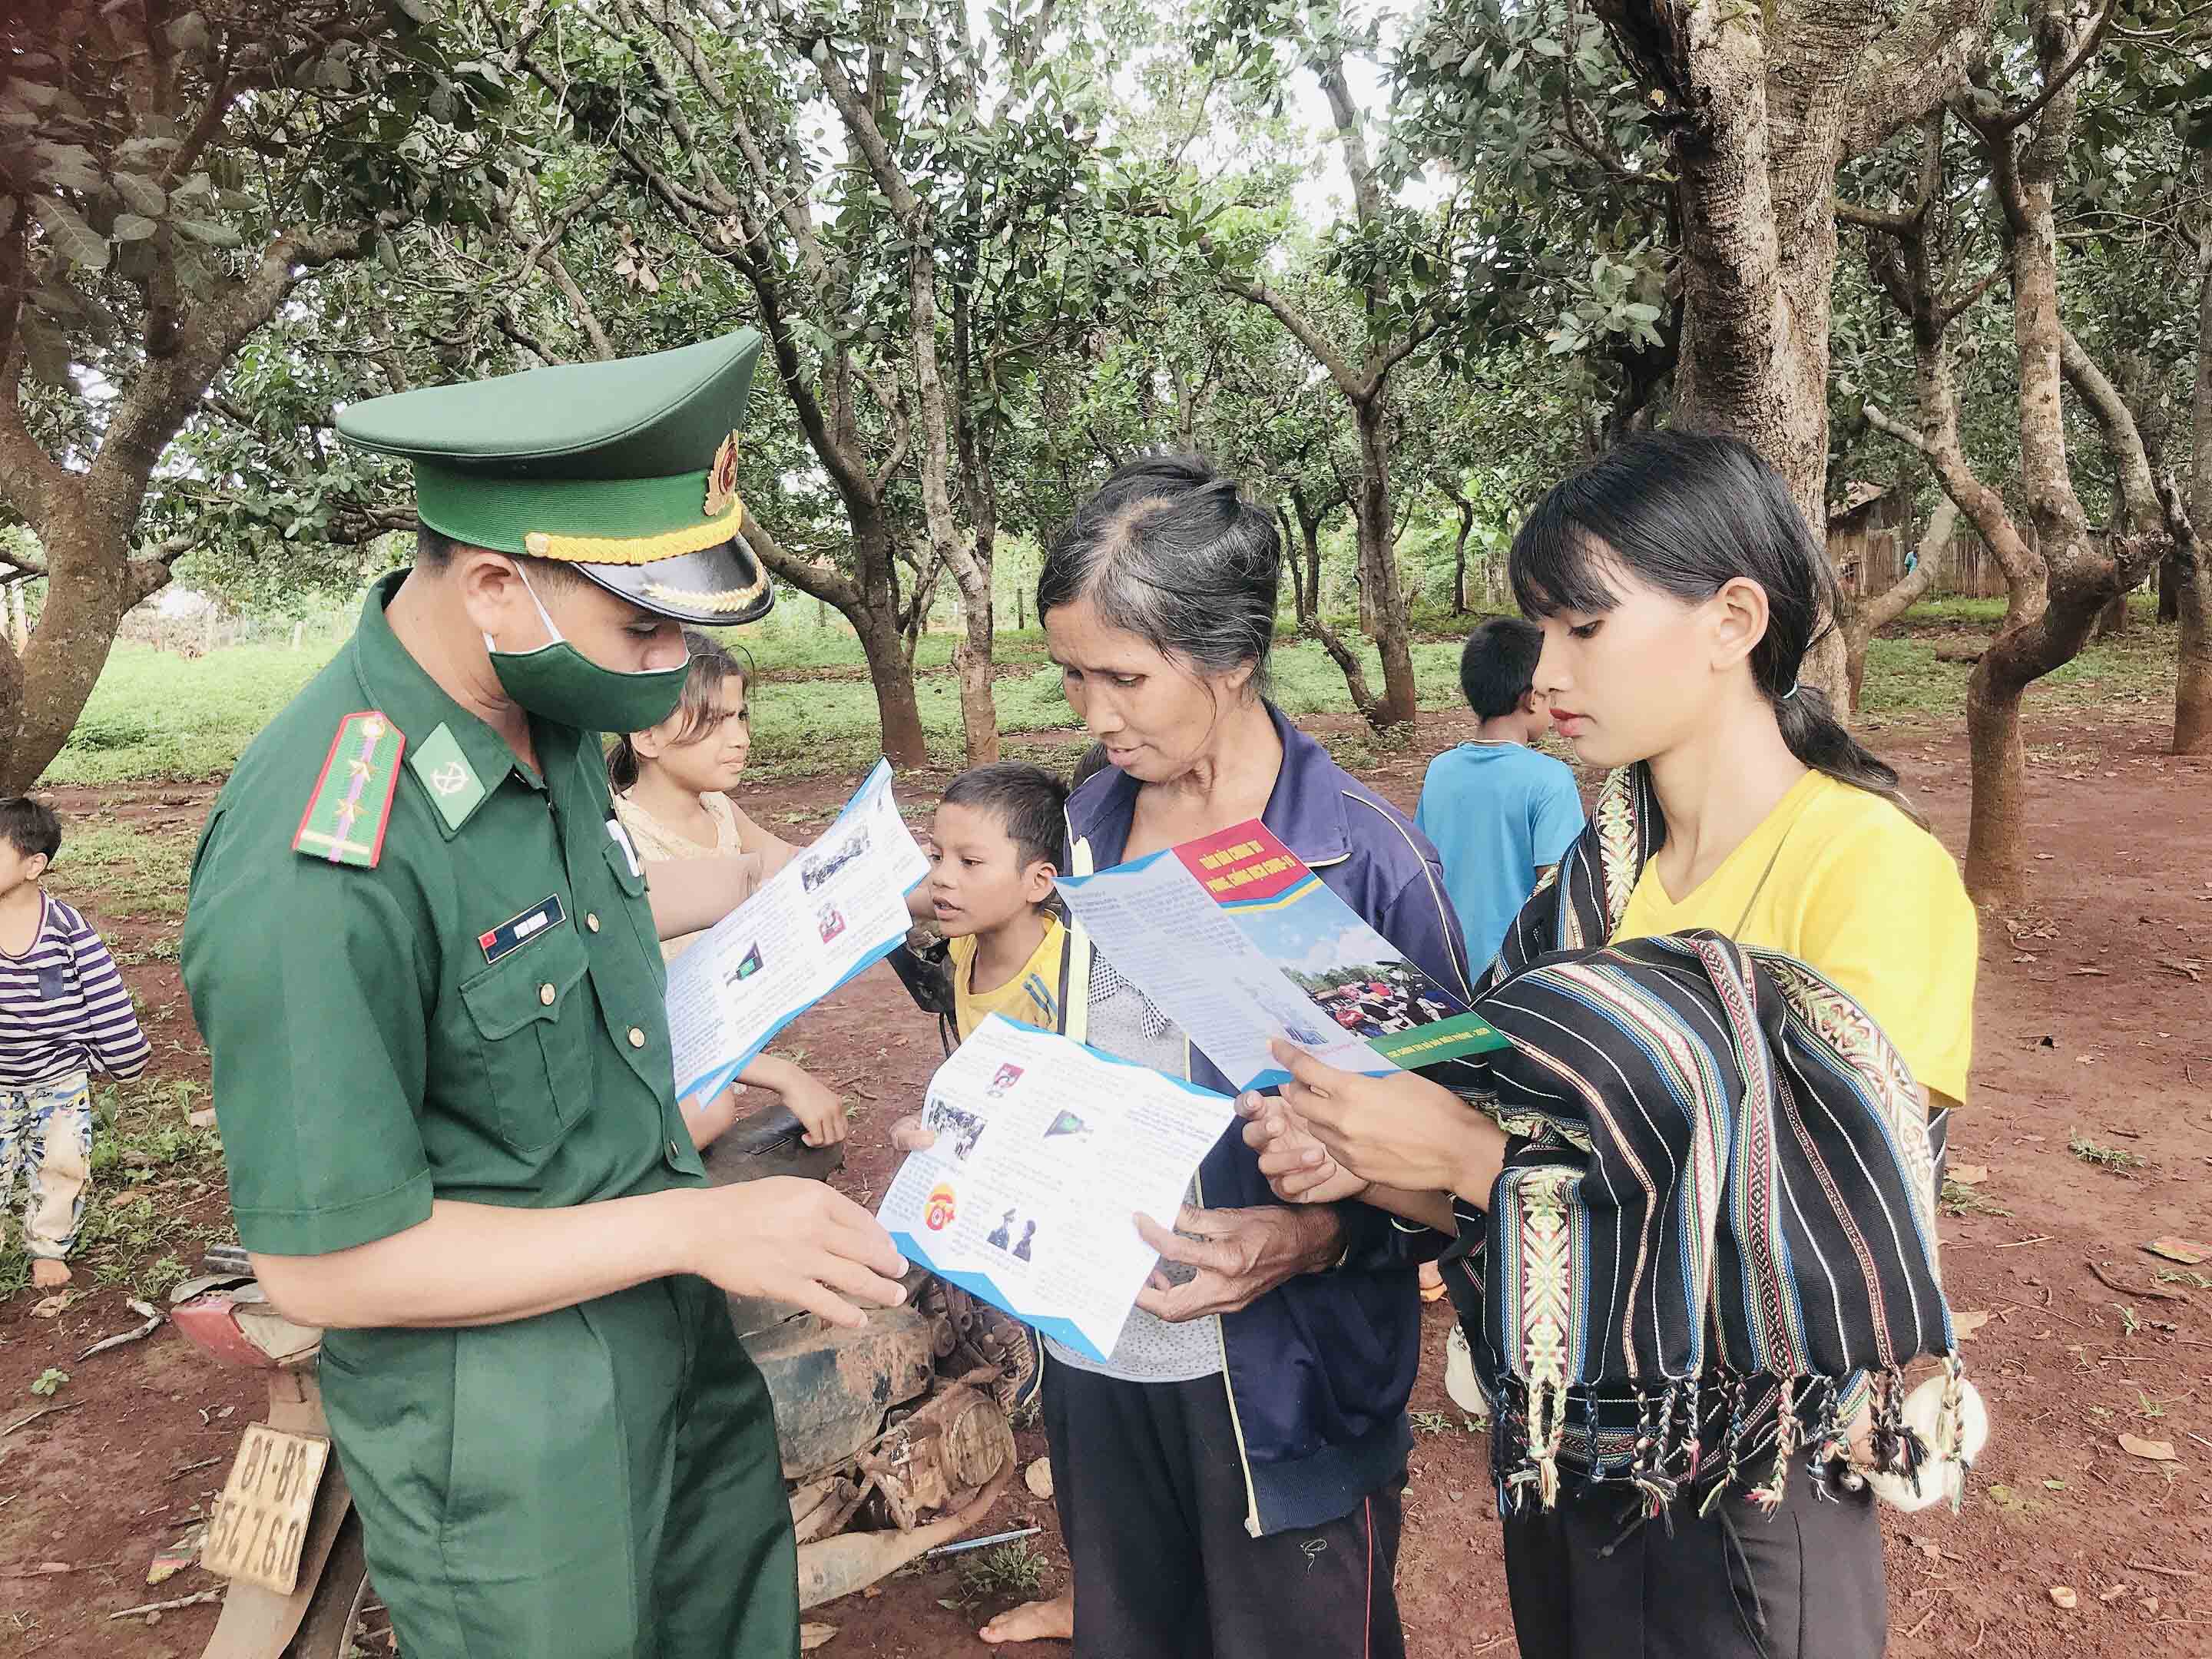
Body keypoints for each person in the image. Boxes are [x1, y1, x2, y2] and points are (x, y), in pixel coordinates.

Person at [181, 331, 909, 1659]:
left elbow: (591, 914)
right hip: (510, 1445)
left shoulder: (552, 718)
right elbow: (321, 1262)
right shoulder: (324, 850)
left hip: (670, 1356)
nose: (667, 665)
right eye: (643, 626)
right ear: (500, 588)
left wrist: (809, 886)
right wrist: (690, 1234)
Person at [1244, 431, 1975, 1659]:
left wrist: (1473, 1162)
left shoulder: (1870, 870)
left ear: (1732, 619)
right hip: (1565, 1458)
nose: (1545, 670)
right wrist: (1363, 1155)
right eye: (1540, 631)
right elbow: (1507, 1144)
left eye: (1583, 626)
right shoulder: (1590, 886)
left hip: (1748, 1496)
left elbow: (1831, 1243)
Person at [976, 453, 1472, 1657]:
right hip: (1101, 1369)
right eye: (1072, 676)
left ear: (1234, 659)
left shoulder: (1356, 869)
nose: (1093, 716)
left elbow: (1471, 1177)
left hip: (1284, 1398)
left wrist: (1313, 1230)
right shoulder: (1084, 834)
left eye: (1126, 678)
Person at [609, 633, 845, 1151]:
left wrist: (916, 889)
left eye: (740, 717)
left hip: (707, 1044)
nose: (739, 738)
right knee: (710, 1109)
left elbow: (797, 870)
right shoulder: (620, 837)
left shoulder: (718, 810)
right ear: (646, 734)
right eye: (716, 722)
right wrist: (784, 1074)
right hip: (646, 1053)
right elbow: (658, 1015)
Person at [0, 796, 151, 1290]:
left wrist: (124, 1057)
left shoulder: (67, 929)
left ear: (33, 865)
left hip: (60, 1077)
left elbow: (105, 996)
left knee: (61, 1163)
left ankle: (48, 1244)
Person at [1415, 617, 1584, 969]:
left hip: (1447, 965)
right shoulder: (1550, 779)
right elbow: (1558, 893)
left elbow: (1423, 868)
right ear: (1532, 698)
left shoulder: (1440, 770)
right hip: (1513, 976)